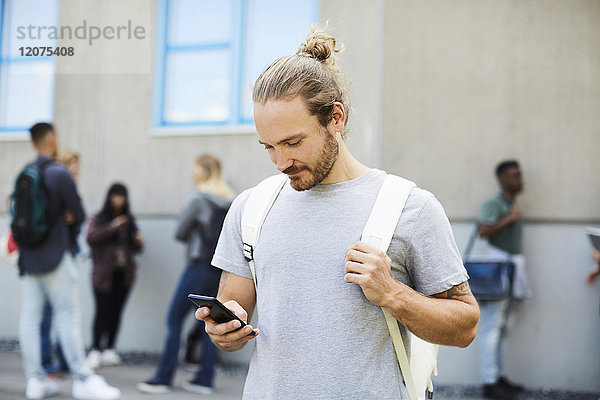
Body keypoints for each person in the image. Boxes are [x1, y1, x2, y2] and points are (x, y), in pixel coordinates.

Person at [194, 26, 480, 399]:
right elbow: (234, 319)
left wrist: (392, 293)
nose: (281, 162)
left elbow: (465, 327)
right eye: (268, 147)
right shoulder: (251, 208)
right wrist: (224, 333)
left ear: (336, 119)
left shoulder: (410, 207)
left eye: (293, 142)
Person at [16, 123, 120, 400]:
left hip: (29, 258)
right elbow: (79, 213)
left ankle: (35, 381)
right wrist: (68, 222)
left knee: (30, 318)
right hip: (56, 256)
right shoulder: (58, 173)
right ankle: (83, 379)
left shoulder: (26, 173)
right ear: (51, 139)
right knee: (67, 316)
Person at [137, 154, 235, 395]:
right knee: (211, 320)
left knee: (173, 319)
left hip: (198, 265)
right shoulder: (231, 200)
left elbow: (180, 232)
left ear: (201, 172)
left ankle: (163, 377)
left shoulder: (198, 199)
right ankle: (205, 379)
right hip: (219, 269)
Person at [476, 160, 531, 400]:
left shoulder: (510, 203)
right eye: (514, 175)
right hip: (498, 271)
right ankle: (489, 382)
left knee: (504, 326)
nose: (520, 179)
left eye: (520, 174)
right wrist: (509, 219)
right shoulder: (496, 203)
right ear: (501, 179)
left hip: (511, 269)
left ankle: (498, 377)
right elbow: (483, 231)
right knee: (492, 326)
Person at [86, 183, 143, 369]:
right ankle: (95, 349)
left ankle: (109, 348)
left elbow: (138, 248)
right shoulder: (99, 218)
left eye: (122, 196)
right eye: (116, 196)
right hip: (103, 274)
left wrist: (137, 240)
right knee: (102, 311)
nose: (119, 200)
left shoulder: (129, 220)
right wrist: (113, 226)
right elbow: (92, 238)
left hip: (123, 274)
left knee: (116, 312)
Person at [40, 149, 81, 377]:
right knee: (47, 314)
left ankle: (66, 362)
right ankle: (46, 365)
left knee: (67, 313)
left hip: (67, 256)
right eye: (74, 164)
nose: (77, 170)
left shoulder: (73, 192)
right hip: (51, 259)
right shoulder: (51, 191)